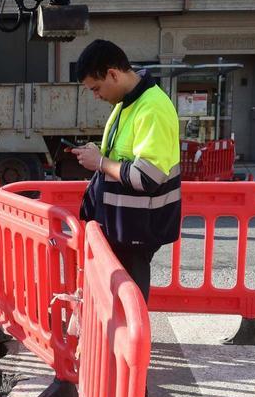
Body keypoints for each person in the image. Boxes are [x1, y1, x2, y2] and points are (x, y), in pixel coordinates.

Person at [68, 39, 181, 305]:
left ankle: (130, 346)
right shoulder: (130, 102)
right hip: (127, 226)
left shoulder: (151, 107)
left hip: (137, 229)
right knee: (122, 299)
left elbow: (148, 177)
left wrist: (100, 162)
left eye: (96, 88)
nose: (96, 96)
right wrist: (100, 156)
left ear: (112, 74)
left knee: (129, 302)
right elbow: (124, 157)